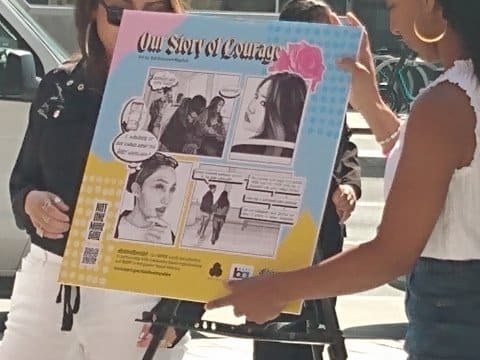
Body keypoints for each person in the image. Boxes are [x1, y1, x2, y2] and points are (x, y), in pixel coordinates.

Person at [208, 1, 480, 359]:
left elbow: (390, 255)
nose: (394, 27)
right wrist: (369, 101)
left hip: (454, 318)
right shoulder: (460, 94)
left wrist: (277, 288)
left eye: (393, 6)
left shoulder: (447, 102)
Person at [3, 1, 191, 359]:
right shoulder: (60, 85)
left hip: (142, 281)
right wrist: (32, 203)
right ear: (92, 12)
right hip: (49, 276)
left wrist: (184, 309)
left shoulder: (187, 99)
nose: (137, 23)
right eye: (119, 12)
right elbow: (22, 182)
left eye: (155, 10)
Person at [250, 2, 361, 359]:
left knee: (320, 326)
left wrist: (349, 185)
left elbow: (345, 145)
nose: (338, 39)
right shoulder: (272, 87)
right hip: (278, 228)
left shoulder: (330, 86)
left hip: (324, 232)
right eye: (330, 31)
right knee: (281, 334)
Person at [231, 72, 307, 158]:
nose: (251, 108)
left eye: (263, 103)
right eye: (256, 96)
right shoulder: (241, 149)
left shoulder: (301, 155)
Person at [116, 152, 178, 245]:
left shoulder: (168, 237)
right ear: (136, 189)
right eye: (159, 186)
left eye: (172, 189)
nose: (166, 200)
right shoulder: (110, 227)